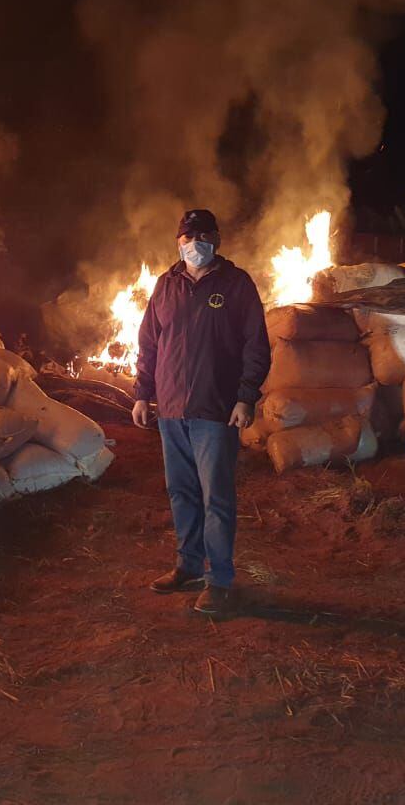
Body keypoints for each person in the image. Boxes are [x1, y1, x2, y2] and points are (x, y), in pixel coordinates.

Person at [132, 208, 271, 615]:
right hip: (171, 408)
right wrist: (143, 394)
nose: (195, 244)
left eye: (203, 236)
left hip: (216, 408)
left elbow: (256, 345)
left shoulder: (236, 284)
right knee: (181, 492)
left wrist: (246, 397)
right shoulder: (166, 285)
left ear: (217, 240)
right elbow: (148, 343)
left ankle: (219, 579)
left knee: (217, 497)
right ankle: (188, 566)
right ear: (178, 242)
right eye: (188, 237)